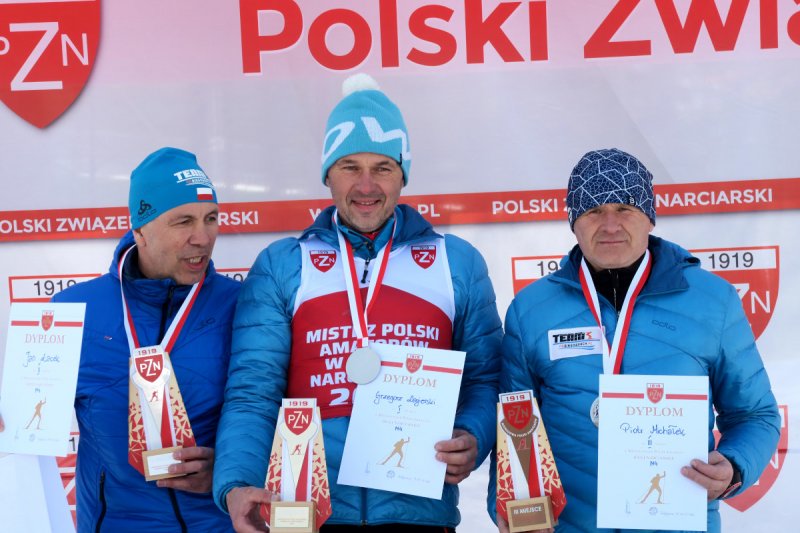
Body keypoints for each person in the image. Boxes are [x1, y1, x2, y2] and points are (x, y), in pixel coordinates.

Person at [213, 74, 502, 532]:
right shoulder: (284, 264)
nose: (366, 185)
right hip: (308, 514)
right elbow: (253, 391)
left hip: (418, 515)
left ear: (403, 175)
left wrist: (472, 436)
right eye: (350, 166)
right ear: (327, 173)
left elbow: (485, 379)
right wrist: (236, 483)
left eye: (383, 167)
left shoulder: (456, 263)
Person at [494, 148, 780, 533]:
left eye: (625, 208)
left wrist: (734, 465)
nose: (610, 225)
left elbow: (755, 416)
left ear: (650, 217)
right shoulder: (531, 310)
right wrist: (518, 511)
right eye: (594, 211)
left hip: (679, 523)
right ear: (573, 222)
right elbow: (516, 422)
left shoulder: (713, 301)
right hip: (571, 525)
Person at [52, 147, 240, 532]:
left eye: (211, 219)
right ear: (140, 229)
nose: (202, 237)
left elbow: (281, 417)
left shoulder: (244, 305)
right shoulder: (71, 310)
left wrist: (228, 470)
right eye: (183, 221)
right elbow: (27, 417)